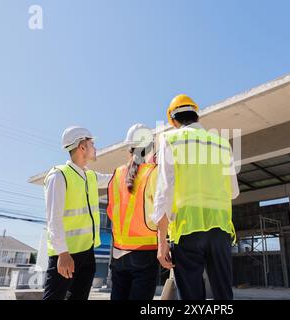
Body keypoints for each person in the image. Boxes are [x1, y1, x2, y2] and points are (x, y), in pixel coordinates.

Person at [152, 94, 240, 300]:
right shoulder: (221, 143)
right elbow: (233, 191)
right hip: (220, 229)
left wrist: (161, 242)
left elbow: (164, 192)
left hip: (187, 230)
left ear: (173, 120)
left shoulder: (171, 139)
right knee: (223, 294)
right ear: (196, 116)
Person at [42, 126, 113, 300]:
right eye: (92, 143)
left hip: (87, 252)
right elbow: (54, 219)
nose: (95, 148)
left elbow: (114, 178)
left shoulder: (90, 176)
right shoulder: (59, 176)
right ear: (82, 147)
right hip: (66, 254)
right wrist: (63, 254)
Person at [107, 123, 159, 300]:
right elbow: (162, 211)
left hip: (118, 254)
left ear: (130, 148)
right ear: (151, 147)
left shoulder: (117, 174)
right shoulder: (153, 172)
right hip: (145, 253)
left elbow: (110, 211)